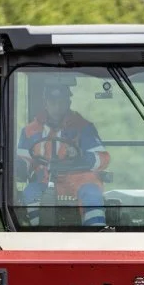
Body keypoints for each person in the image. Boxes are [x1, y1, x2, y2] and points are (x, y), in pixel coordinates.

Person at [16, 84, 111, 227]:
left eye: (61, 101)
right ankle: (36, 234)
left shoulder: (84, 128)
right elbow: (23, 161)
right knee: (30, 192)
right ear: (45, 103)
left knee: (92, 193)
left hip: (79, 181)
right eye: (53, 102)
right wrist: (19, 168)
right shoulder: (29, 131)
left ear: (69, 103)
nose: (57, 106)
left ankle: (96, 236)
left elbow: (102, 158)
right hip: (45, 182)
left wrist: (81, 157)